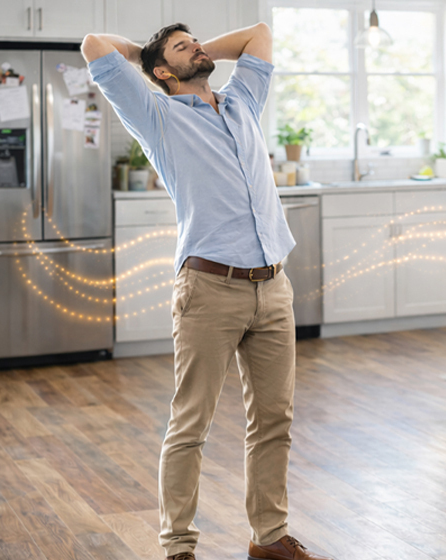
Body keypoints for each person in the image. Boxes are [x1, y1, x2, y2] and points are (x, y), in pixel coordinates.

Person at [82, 23, 331, 560]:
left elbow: (261, 34)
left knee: (274, 420)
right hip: (208, 289)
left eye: (197, 40)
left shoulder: (242, 101)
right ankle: (178, 546)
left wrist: (189, 50)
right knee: (191, 422)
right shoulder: (157, 116)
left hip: (273, 286)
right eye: (183, 46)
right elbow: (94, 46)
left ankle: (268, 538)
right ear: (162, 73)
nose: (198, 47)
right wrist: (146, 56)